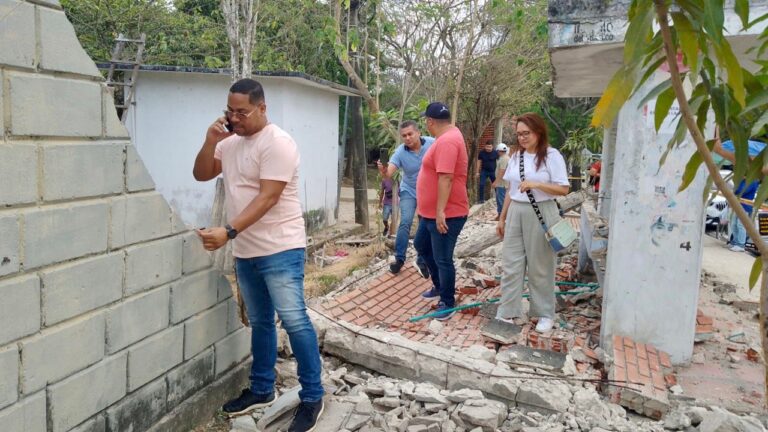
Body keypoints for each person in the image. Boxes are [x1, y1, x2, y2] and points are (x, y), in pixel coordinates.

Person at [192, 79, 324, 432]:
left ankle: (313, 396)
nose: (235, 118)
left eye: (243, 112)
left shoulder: (278, 143)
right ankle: (262, 389)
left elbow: (268, 197)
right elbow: (202, 174)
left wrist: (228, 231)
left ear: (262, 108)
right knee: (261, 322)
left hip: (281, 247)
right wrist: (210, 140)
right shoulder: (229, 143)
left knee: (294, 321)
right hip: (247, 250)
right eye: (230, 111)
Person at [495, 113, 570, 333]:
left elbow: (563, 188)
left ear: (538, 132)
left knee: (541, 265)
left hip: (541, 211)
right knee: (511, 264)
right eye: (519, 134)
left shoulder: (551, 156)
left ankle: (545, 313)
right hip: (516, 211)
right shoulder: (516, 156)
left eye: (526, 133)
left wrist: (537, 184)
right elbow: (511, 189)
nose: (522, 138)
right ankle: (508, 311)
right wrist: (502, 217)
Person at [413, 102, 469, 320]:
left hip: (447, 214)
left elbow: (446, 177)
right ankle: (438, 286)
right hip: (431, 214)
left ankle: (447, 302)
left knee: (443, 258)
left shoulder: (447, 141)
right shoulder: (446, 137)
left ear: (430, 122)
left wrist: (440, 212)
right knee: (421, 245)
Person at [377, 120, 435, 276]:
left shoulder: (432, 143)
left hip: (428, 191)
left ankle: (422, 260)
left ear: (418, 133)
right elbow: (388, 173)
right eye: (404, 136)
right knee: (405, 222)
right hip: (409, 190)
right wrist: (383, 170)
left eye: (410, 134)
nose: (407, 138)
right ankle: (399, 259)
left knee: (424, 224)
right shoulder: (400, 152)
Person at [713, 131, 767, 252]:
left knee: (740, 225)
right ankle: (734, 241)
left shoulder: (751, 181)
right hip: (737, 205)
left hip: (744, 207)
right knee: (734, 224)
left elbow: (742, 191)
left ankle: (740, 244)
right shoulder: (742, 179)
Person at [492, 143, 509, 220]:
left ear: (499, 150)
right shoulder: (505, 158)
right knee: (501, 199)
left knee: (501, 200)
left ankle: (502, 216)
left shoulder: (504, 159)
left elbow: (502, 171)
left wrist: (496, 182)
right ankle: (501, 215)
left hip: (502, 184)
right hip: (502, 183)